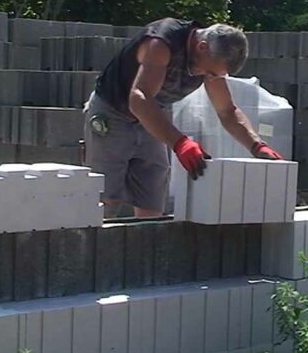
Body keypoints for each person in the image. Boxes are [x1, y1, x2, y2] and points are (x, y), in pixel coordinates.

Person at [83, 18, 282, 218]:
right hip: (113, 112)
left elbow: (227, 112)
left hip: (152, 117)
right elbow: (139, 98)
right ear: (202, 47)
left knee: (151, 198)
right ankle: (95, 246)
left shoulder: (210, 60)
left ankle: (144, 247)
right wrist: (180, 143)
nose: (210, 77)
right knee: (106, 196)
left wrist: (257, 146)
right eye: (211, 72)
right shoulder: (162, 42)